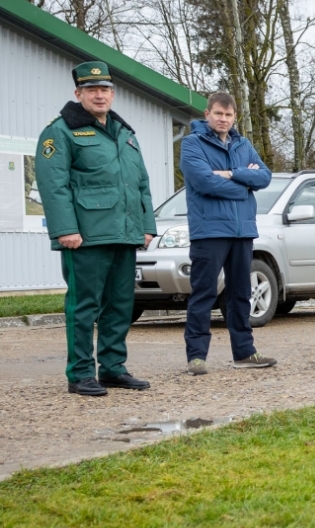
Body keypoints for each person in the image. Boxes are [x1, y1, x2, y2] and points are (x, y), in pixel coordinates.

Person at [34, 61, 157, 396]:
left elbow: (140, 184)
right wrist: (65, 230)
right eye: (91, 90)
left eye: (104, 89)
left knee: (120, 305)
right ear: (79, 94)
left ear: (113, 94)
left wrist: (146, 226)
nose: (99, 95)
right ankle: (80, 373)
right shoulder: (60, 131)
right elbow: (52, 184)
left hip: (125, 234)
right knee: (84, 306)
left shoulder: (125, 133)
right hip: (85, 237)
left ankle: (113, 369)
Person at [180, 91, 278, 375]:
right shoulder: (192, 144)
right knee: (204, 293)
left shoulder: (243, 144)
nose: (223, 119)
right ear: (207, 114)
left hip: (242, 230)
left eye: (228, 114)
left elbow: (265, 176)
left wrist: (230, 173)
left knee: (240, 294)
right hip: (209, 230)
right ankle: (196, 356)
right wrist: (243, 183)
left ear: (235, 116)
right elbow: (203, 183)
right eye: (218, 114)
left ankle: (245, 353)